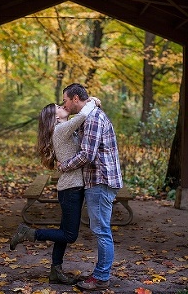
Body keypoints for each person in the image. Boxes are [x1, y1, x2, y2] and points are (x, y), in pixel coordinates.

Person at [9, 96, 100, 285]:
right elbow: (83, 114)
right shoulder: (60, 130)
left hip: (73, 186)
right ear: (55, 117)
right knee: (70, 235)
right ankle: (29, 233)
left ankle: (55, 271)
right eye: (58, 107)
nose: (63, 106)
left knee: (63, 231)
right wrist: (93, 101)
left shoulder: (66, 131)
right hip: (70, 188)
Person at [58, 83, 122, 291]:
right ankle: (100, 273)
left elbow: (87, 154)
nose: (65, 104)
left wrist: (64, 166)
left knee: (102, 230)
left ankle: (102, 277)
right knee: (100, 229)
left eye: (66, 100)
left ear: (76, 98)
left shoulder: (93, 118)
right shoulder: (91, 114)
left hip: (100, 181)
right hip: (98, 180)